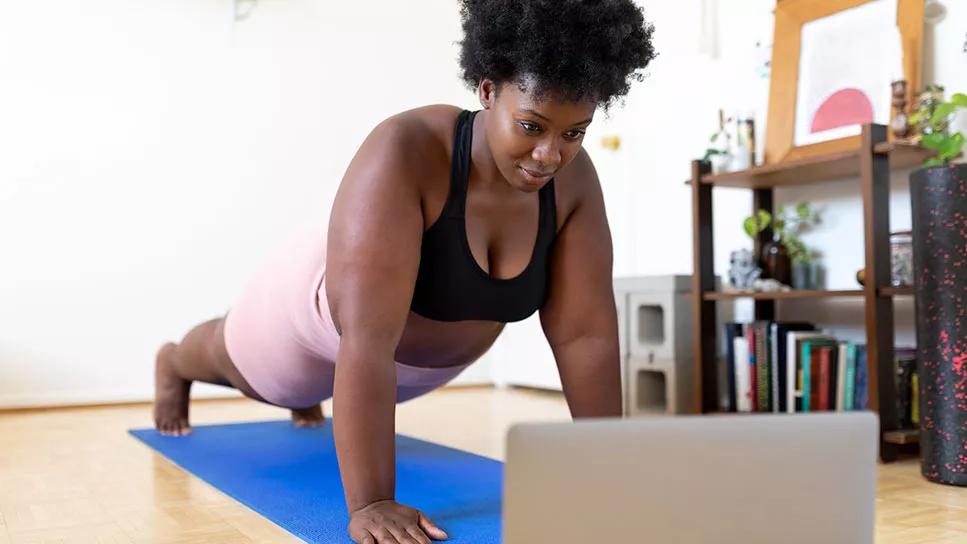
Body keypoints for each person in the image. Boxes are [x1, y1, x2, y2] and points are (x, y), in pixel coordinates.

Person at [153, 1, 655, 542]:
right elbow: (367, 340)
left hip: (414, 370)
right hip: (316, 326)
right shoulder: (406, 149)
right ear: (487, 91)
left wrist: (609, 470)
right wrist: (372, 501)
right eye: (531, 126)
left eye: (574, 133)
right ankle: (173, 363)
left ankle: (307, 398)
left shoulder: (573, 183)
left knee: (325, 383)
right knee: (239, 367)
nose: (549, 154)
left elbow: (586, 337)